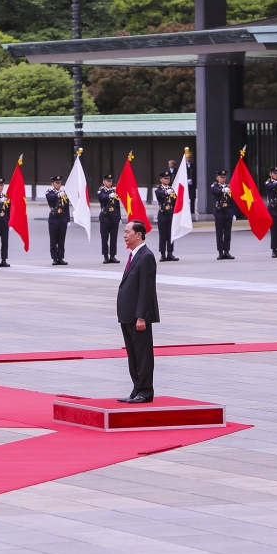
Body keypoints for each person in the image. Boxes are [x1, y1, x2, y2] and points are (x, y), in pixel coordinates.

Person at [116, 221, 160, 404]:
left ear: (139, 235)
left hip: (138, 317)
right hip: (127, 315)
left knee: (142, 355)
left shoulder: (146, 256)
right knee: (133, 354)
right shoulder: (134, 255)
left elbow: (146, 289)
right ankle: (136, 388)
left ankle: (146, 391)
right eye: (124, 232)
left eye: (128, 232)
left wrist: (141, 316)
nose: (124, 235)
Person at [46, 176, 69, 266]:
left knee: (61, 239)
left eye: (59, 183)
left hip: (62, 219)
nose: (58, 185)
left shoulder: (64, 194)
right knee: (53, 239)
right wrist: (58, 195)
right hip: (54, 219)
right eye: (56, 183)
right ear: (52, 184)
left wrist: (67, 219)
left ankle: (61, 257)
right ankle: (55, 258)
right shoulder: (50, 192)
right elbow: (50, 197)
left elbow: (66, 207)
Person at [97, 174, 121, 264]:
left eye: (111, 181)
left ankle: (113, 256)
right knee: (104, 238)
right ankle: (106, 256)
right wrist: (108, 196)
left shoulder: (114, 191)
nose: (109, 183)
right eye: (108, 181)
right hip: (105, 217)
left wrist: (119, 217)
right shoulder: (101, 191)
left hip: (114, 217)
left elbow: (117, 205)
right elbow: (101, 197)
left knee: (114, 238)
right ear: (104, 181)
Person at [211, 170, 235, 260]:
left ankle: (227, 251)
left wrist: (233, 213)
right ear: (217, 178)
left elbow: (232, 201)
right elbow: (216, 191)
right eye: (221, 177)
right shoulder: (215, 185)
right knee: (219, 233)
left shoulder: (229, 187)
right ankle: (220, 252)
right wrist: (224, 189)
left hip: (228, 211)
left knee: (228, 233)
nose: (223, 179)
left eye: (224, 177)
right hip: (219, 211)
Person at [154, 172, 177, 262]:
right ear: (161, 179)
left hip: (170, 213)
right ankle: (163, 254)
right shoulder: (158, 188)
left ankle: (170, 253)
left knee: (170, 234)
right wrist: (166, 192)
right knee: (163, 235)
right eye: (165, 178)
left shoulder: (172, 189)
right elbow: (159, 194)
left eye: (168, 178)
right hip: (163, 213)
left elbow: (175, 200)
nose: (167, 180)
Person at [184, 151, 197, 215]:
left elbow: (195, 174)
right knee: (185, 198)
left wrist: (192, 180)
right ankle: (186, 210)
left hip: (192, 184)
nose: (188, 159)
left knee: (192, 198)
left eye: (189, 157)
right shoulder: (183, 166)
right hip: (185, 184)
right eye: (187, 158)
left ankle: (192, 210)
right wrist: (186, 180)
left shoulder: (193, 165)